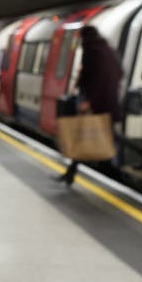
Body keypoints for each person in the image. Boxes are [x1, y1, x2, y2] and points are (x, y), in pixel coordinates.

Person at [55, 26, 122, 185]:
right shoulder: (107, 49)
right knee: (89, 135)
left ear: (84, 37)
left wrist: (88, 100)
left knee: (87, 134)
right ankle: (71, 173)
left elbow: (96, 78)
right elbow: (119, 72)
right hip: (108, 101)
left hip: (98, 104)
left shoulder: (91, 50)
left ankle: (114, 175)